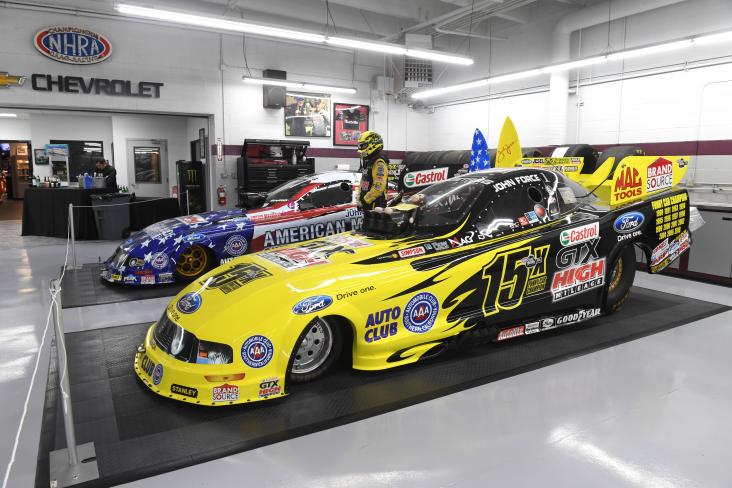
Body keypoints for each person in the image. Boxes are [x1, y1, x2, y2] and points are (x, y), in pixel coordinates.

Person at [356, 131, 389, 210]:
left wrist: (365, 200)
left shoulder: (379, 163)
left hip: (376, 205)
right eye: (360, 146)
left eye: (363, 145)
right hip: (367, 204)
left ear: (373, 144)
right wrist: (359, 198)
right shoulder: (368, 162)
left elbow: (379, 185)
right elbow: (363, 181)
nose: (360, 148)